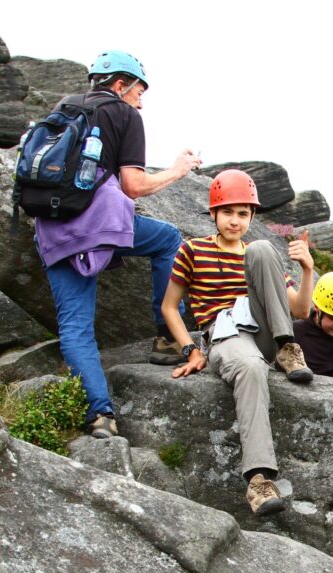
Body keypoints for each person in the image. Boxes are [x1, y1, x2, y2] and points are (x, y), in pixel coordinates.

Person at [36, 50, 202, 440]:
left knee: (75, 327)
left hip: (53, 230)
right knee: (168, 239)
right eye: (139, 92)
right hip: (100, 226)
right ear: (121, 84)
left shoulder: (63, 109)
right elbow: (133, 185)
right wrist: (178, 170)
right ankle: (166, 336)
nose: (140, 102)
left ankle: (100, 416)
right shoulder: (123, 114)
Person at [160, 169, 315, 516]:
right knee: (250, 367)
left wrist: (307, 269)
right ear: (214, 213)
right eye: (227, 212)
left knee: (262, 248)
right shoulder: (193, 250)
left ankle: (287, 349)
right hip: (225, 335)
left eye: (243, 213)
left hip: (266, 334)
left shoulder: (257, 255)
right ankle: (259, 481)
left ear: (252, 216)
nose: (235, 220)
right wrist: (191, 350)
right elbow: (169, 306)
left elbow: (301, 310)